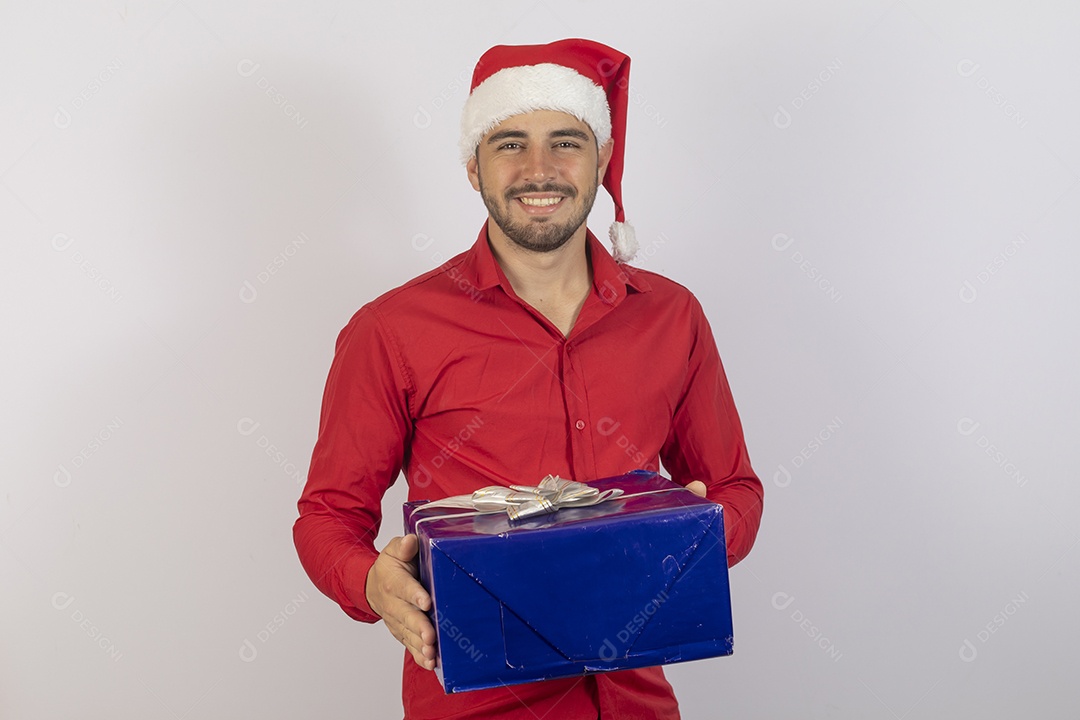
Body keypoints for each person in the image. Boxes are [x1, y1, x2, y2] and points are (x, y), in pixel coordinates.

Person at [293, 38, 764, 720]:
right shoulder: (391, 329)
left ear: (601, 160)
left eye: (565, 142)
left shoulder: (672, 316)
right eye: (509, 143)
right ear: (471, 167)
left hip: (639, 703)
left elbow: (734, 488)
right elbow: (327, 516)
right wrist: (372, 582)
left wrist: (687, 541)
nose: (538, 170)